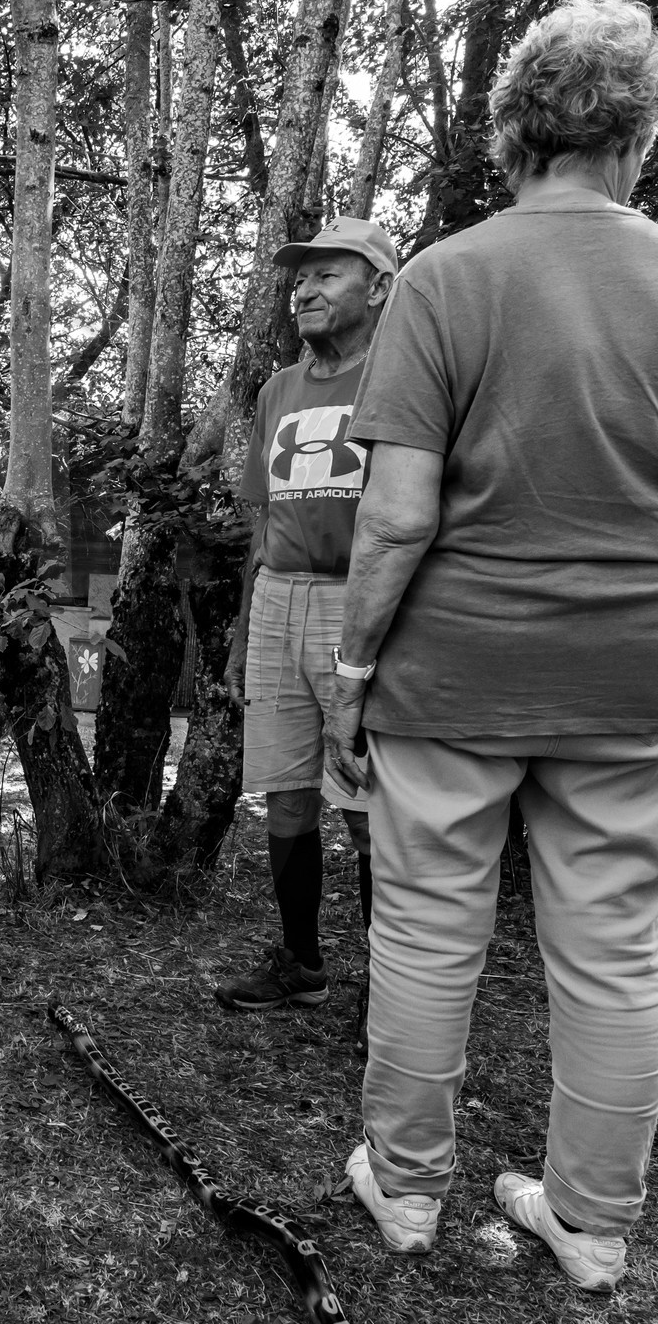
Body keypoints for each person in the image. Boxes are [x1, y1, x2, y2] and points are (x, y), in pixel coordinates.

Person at [326, 0, 658, 1293]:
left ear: (511, 133)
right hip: (631, 681)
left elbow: (397, 517)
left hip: (452, 676)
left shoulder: (445, 280)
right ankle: (589, 1222)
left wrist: (352, 675)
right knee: (619, 949)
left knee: (422, 936)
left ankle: (406, 1194)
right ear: (636, 137)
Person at [216, 218, 396, 1022]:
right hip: (279, 598)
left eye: (329, 274)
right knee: (286, 796)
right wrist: (242, 628)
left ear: (380, 288)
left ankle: (391, 996)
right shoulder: (277, 391)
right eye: (300, 277)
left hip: (361, 605)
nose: (306, 289)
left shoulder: (401, 378)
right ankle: (301, 963)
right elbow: (261, 524)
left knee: (367, 810)